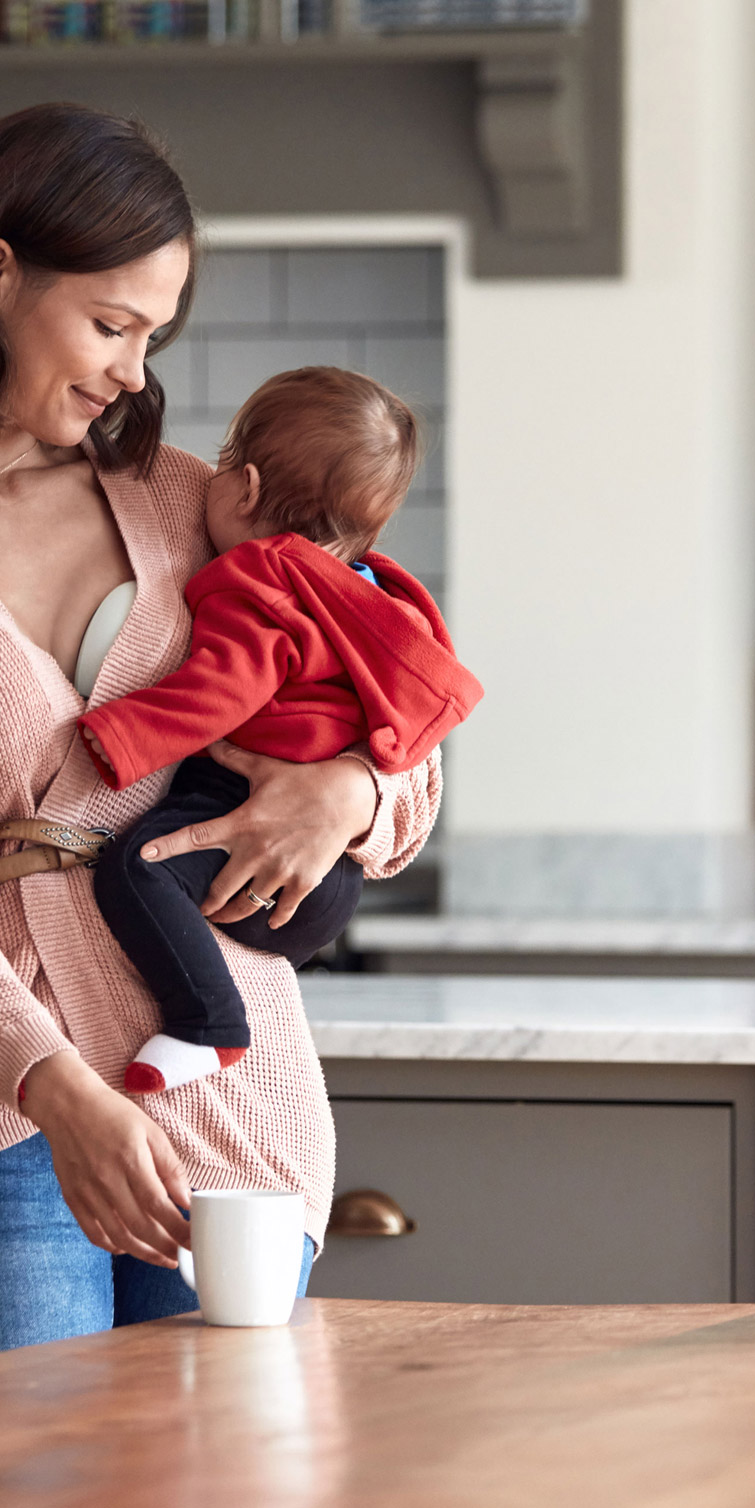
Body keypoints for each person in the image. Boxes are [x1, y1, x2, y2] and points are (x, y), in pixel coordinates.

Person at [0, 102, 441, 1372]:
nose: (133, 372)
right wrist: (53, 1089)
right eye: (111, 325)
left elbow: (387, 697)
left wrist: (351, 789)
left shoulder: (183, 498)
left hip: (237, 1104)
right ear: (0, 268)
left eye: (153, 337)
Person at [77, 366, 482, 1095]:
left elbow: (221, 691)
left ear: (249, 488)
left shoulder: (261, 579)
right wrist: (362, 780)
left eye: (227, 461)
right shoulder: (376, 593)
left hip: (237, 818)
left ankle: (209, 1024)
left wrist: (120, 736)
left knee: (135, 867)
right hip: (327, 886)